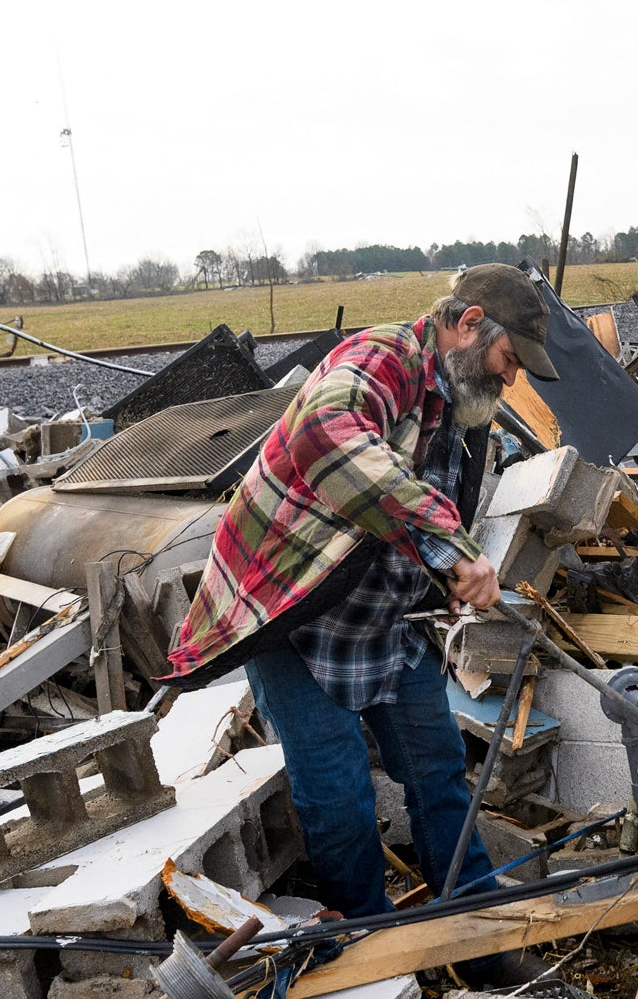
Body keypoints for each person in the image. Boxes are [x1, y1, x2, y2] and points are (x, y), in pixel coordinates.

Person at [163, 264, 560, 989]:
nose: (510, 381)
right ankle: (370, 958)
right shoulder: (382, 359)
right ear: (470, 325)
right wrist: (450, 547)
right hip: (290, 612)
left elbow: (416, 507)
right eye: (509, 361)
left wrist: (443, 577)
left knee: (438, 769)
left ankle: (478, 941)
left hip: (379, 618)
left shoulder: (462, 410)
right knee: (338, 793)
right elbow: (326, 436)